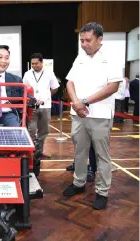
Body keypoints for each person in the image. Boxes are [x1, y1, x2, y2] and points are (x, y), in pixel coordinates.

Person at [63, 22, 123, 210]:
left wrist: (85, 102)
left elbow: (113, 87)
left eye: (88, 40)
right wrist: (76, 103)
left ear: (100, 39)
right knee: (79, 151)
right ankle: (78, 183)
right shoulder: (80, 59)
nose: (84, 44)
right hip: (79, 114)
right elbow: (70, 82)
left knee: (101, 155)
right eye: (81, 40)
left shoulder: (111, 58)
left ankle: (102, 192)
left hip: (100, 115)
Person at [23, 53, 60, 159]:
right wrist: (33, 99)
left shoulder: (49, 73)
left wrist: (46, 97)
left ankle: (39, 152)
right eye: (32, 64)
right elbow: (24, 89)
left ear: (41, 62)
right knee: (31, 130)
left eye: (36, 63)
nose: (34, 65)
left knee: (44, 131)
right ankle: (30, 153)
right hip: (31, 107)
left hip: (45, 106)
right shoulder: (27, 74)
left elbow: (55, 88)